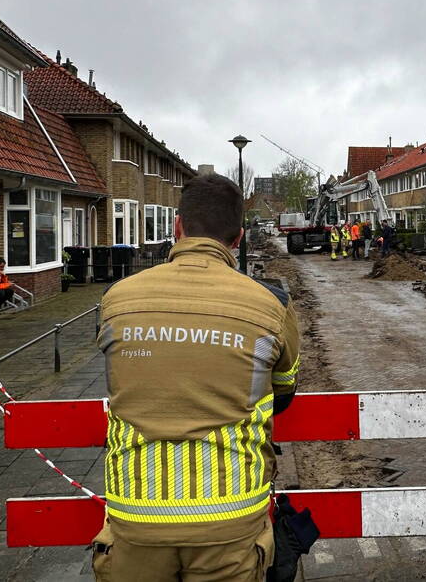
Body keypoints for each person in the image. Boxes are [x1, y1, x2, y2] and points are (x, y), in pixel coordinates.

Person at [92, 172, 300, 581]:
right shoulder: (271, 305)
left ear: (177, 227)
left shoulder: (117, 299)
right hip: (232, 515)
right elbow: (284, 391)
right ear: (238, 238)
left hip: (135, 512)